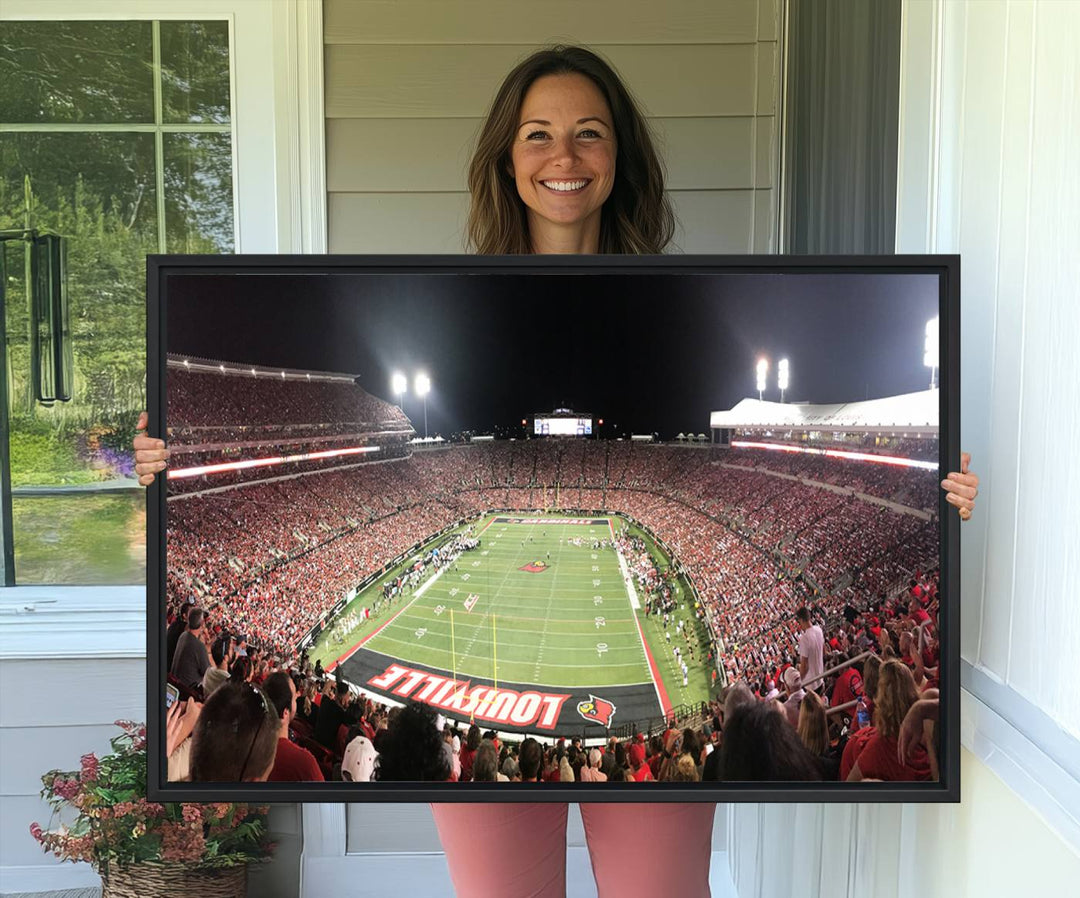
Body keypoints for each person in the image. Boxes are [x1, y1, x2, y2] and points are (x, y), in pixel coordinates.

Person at [134, 42, 981, 898]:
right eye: (537, 134)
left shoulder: (677, 285)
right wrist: (158, 470)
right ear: (506, 157)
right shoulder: (449, 282)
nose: (563, 157)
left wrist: (939, 494)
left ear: (622, 157)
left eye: (590, 133)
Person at [262, 671, 324, 782]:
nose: (297, 695)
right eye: (294, 697)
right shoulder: (304, 763)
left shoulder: (247, 740)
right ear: (285, 712)